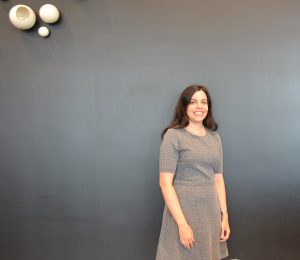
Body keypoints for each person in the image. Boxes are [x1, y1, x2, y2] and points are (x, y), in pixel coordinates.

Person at [156, 84, 230, 260]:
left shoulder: (215, 138)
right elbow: (165, 183)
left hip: (210, 214)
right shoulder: (173, 136)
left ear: (208, 107)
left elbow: (218, 179)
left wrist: (224, 216)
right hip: (182, 213)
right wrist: (182, 224)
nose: (199, 106)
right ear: (184, 106)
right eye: (193, 102)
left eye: (204, 102)